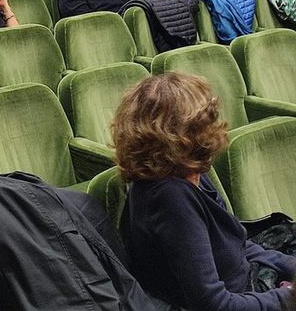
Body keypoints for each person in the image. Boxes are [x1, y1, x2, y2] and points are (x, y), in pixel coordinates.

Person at [111, 72, 295, 311]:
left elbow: (237, 243)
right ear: (188, 134)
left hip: (249, 282)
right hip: (240, 297)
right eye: (206, 120)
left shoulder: (188, 170)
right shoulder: (171, 197)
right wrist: (286, 298)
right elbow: (213, 303)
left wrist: (288, 265)